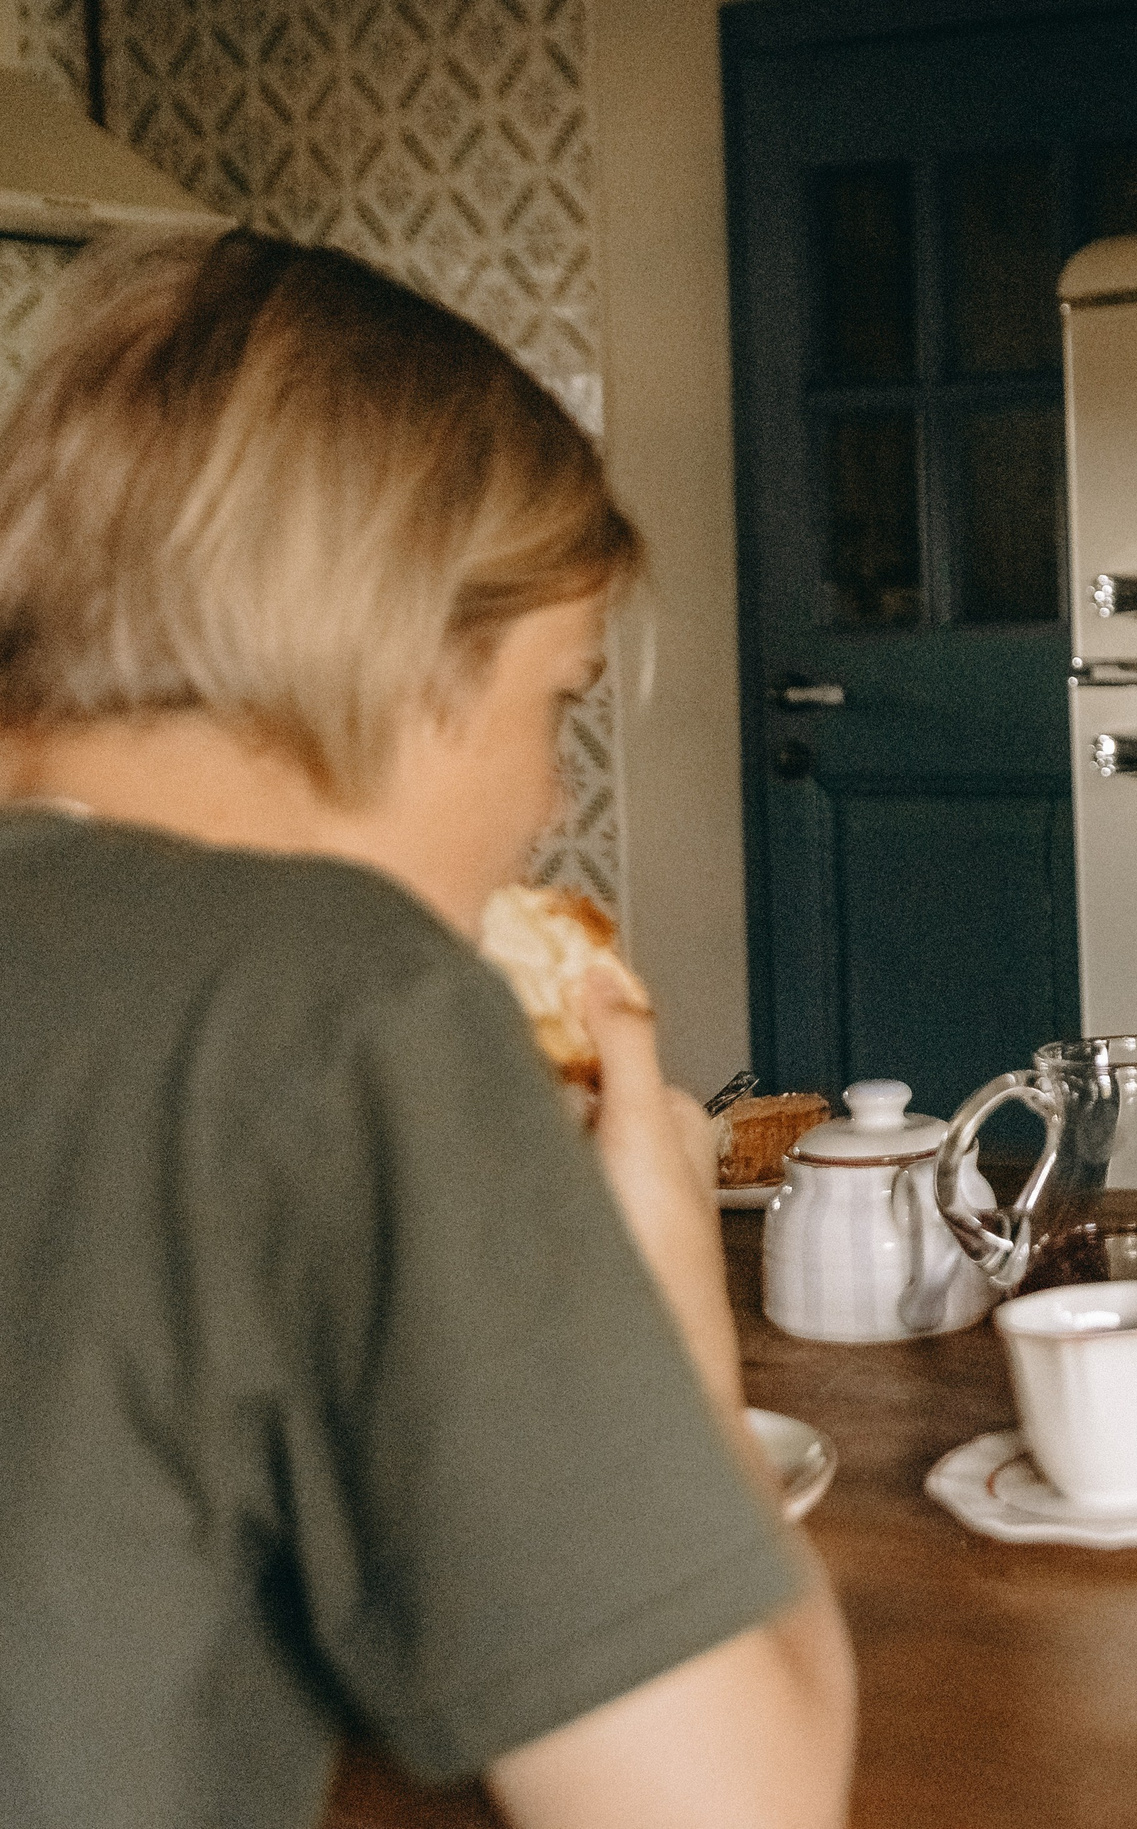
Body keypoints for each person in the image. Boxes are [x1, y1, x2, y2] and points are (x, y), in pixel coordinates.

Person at [0, 230, 854, 1828]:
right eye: (557, 701)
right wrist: (673, 1299)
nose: (548, 807)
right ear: (397, 654)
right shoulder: (349, 995)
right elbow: (722, 1807)